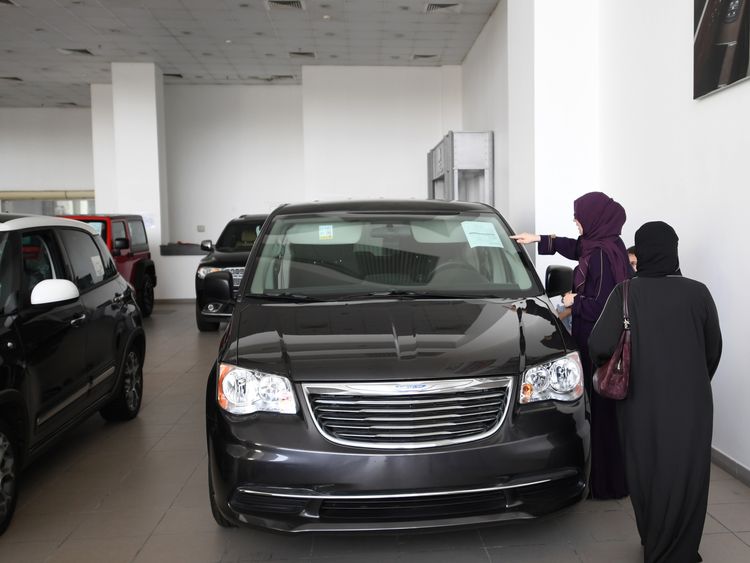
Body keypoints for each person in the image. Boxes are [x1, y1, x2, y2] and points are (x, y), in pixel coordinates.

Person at [589, 222, 722, 563]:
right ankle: (681, 551)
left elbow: (599, 344)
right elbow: (713, 350)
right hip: (692, 405)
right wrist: (691, 381)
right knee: (687, 474)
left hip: (639, 404)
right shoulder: (699, 292)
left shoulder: (626, 292)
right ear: (673, 250)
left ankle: (655, 543)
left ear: (641, 252)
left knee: (646, 471)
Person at [512, 191, 631, 499]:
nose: (575, 222)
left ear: (594, 218)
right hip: (599, 341)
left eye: (579, 217)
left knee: (601, 414)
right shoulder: (606, 244)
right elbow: (575, 247)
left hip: (598, 343)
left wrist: (571, 301)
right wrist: (538, 239)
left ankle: (607, 485)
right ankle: (607, 479)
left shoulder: (603, 254)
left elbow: (605, 305)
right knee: (603, 414)